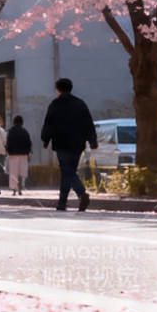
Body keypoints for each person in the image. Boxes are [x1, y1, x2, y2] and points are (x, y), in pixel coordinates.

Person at [40, 77, 98, 212]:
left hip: (61, 143)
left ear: (58, 89)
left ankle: (81, 193)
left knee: (67, 171)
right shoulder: (80, 103)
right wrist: (92, 141)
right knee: (68, 171)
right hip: (78, 143)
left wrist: (45, 140)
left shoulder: (55, 104)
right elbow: (88, 123)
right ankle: (62, 203)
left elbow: (48, 123)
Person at [6, 115, 32, 196]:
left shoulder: (11, 131)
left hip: (13, 155)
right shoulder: (25, 131)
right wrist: (29, 153)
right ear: (22, 122)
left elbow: (8, 143)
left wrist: (8, 151)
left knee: (14, 172)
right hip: (23, 155)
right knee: (21, 172)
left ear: (14, 122)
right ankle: (20, 188)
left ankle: (14, 190)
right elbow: (29, 143)